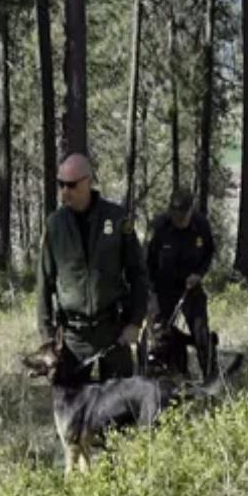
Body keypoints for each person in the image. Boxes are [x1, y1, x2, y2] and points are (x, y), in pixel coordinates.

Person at [37, 154, 150, 380]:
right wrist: (47, 335)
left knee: (121, 407)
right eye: (61, 185)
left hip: (113, 331)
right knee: (72, 409)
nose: (64, 192)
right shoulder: (54, 225)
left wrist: (135, 322)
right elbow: (44, 284)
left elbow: (137, 273)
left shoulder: (117, 219)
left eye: (71, 185)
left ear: (88, 182)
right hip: (73, 336)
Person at [145, 188, 216, 378]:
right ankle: (167, 377)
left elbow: (209, 253)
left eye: (183, 216)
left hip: (190, 285)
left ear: (191, 211)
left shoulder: (201, 225)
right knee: (161, 335)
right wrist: (152, 297)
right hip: (162, 288)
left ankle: (211, 377)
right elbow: (147, 262)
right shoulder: (159, 227)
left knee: (201, 331)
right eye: (176, 216)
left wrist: (199, 274)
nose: (180, 221)